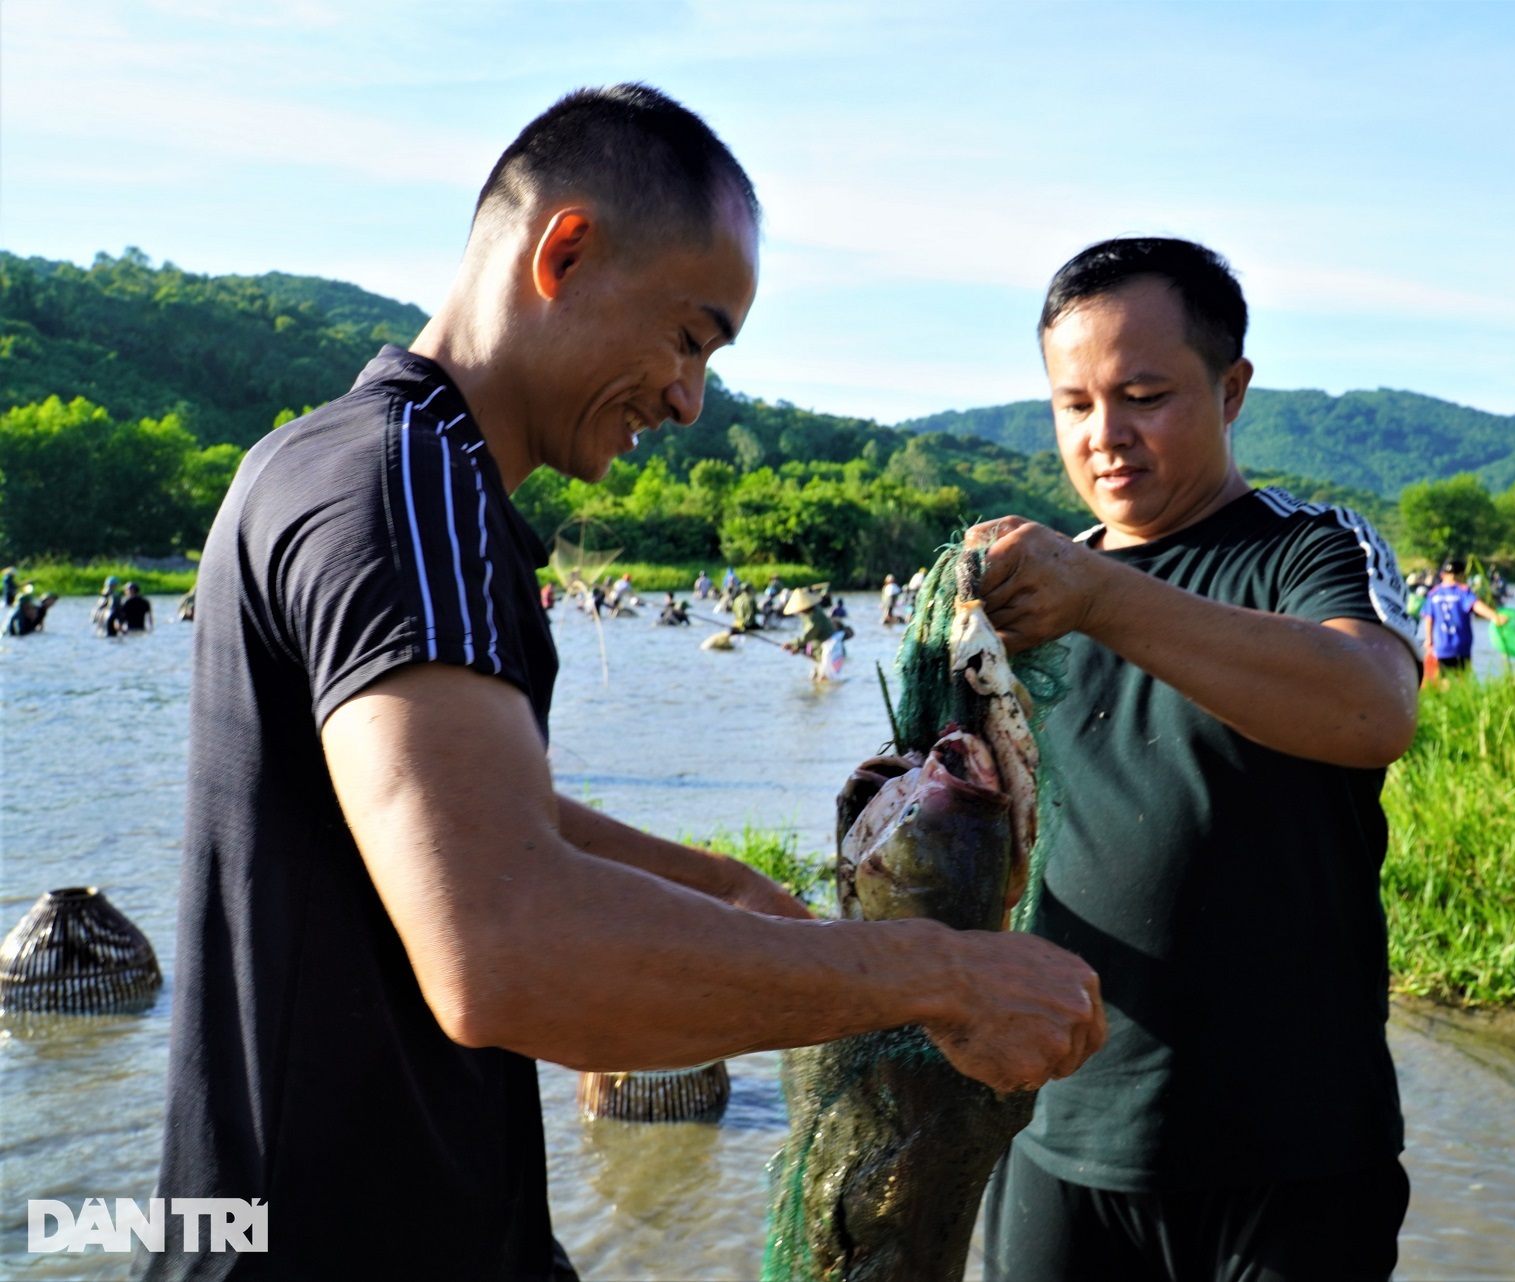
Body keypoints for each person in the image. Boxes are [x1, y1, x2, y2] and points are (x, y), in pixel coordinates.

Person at [145, 84, 1103, 1281]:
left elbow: (458, 820)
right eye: (690, 337)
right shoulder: (410, 493)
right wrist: (947, 977)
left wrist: (711, 882)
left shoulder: (316, 457)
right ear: (568, 250)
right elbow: (506, 950)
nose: (690, 398)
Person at [973, 238, 1419, 1281]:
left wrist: (1099, 597)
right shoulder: (1029, 595)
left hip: (1293, 1153)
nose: (1104, 436)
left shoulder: (1309, 550)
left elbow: (1371, 708)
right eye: (1074, 403)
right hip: (1059, 1132)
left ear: (1231, 390)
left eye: (1143, 395)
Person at [1420, 557, 1501, 679]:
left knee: (1444, 679)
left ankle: (1446, 696)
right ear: (1461, 574)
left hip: (1441, 645)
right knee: (1463, 679)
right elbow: (1476, 605)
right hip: (1461, 645)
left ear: (1443, 574)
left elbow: (1429, 618)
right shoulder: (1463, 591)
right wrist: (1495, 616)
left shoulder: (1434, 594)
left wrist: (1428, 640)